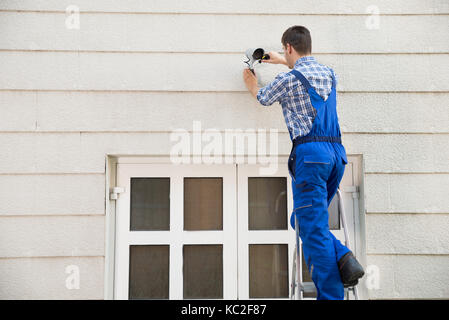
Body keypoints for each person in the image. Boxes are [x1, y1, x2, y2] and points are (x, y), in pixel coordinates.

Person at [242, 25, 364, 300]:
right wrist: (283, 60)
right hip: (335, 157)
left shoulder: (289, 79)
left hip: (311, 158)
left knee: (314, 231)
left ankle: (332, 296)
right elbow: (304, 69)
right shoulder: (329, 73)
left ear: (288, 47)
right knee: (303, 220)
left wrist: (251, 83)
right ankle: (344, 257)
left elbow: (263, 98)